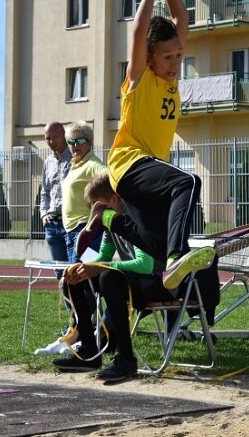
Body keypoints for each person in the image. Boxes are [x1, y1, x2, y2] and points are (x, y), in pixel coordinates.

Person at [75, 0, 215, 289]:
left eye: (178, 56)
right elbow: (139, 30)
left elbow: (181, 17)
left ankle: (107, 216)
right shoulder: (139, 79)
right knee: (189, 181)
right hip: (129, 162)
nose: (175, 64)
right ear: (150, 57)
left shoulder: (170, 80)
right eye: (167, 57)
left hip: (147, 173)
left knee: (152, 242)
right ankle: (175, 259)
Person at [53, 173, 178, 382]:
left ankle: (126, 359)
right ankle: (89, 352)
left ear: (113, 199)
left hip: (161, 282)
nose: (93, 211)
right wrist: (84, 267)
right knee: (73, 278)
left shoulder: (138, 218)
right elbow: (103, 256)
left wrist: (100, 268)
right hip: (137, 281)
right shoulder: (111, 221)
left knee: (108, 278)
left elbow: (145, 265)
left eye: (95, 204)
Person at [61, 121, 107, 262]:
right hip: (71, 230)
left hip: (85, 230)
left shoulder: (92, 164)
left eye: (80, 141)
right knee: (78, 274)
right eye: (71, 141)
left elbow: (108, 175)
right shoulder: (76, 164)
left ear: (90, 143)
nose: (75, 145)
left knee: (82, 273)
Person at [39, 121, 73, 262]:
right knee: (59, 271)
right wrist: (43, 214)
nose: (51, 141)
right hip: (52, 224)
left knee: (75, 268)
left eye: (55, 137)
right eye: (48, 138)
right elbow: (45, 192)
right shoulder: (48, 162)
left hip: (71, 223)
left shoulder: (75, 157)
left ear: (64, 136)